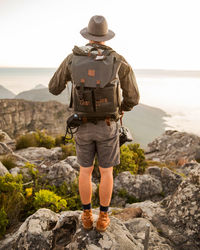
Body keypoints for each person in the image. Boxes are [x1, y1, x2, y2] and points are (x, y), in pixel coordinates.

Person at [48, 15, 140, 232]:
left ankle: (87, 215)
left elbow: (54, 87)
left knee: (85, 171)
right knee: (106, 172)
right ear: (105, 37)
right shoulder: (118, 60)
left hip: (82, 125)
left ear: (88, 36)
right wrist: (121, 108)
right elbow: (133, 97)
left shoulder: (73, 58)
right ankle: (104, 218)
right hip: (109, 125)